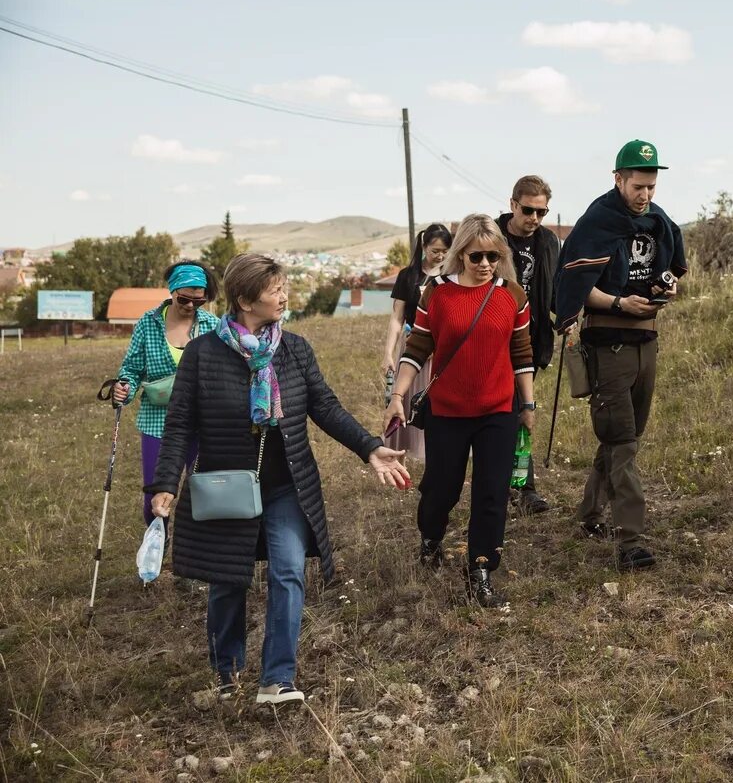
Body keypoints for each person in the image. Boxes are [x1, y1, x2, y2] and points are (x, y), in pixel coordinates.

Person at [149, 253, 410, 705]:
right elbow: (179, 425)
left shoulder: (294, 349)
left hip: (287, 483)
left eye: (284, 287)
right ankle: (226, 672)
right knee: (228, 580)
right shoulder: (203, 354)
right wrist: (165, 484)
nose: (284, 296)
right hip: (226, 486)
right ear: (247, 299)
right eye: (275, 290)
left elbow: (325, 407)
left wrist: (370, 448)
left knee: (289, 571)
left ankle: (277, 679)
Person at [383, 214, 536, 608]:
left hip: (498, 411)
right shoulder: (436, 292)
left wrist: (529, 404)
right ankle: (431, 536)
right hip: (447, 412)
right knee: (441, 488)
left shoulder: (513, 296)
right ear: (460, 255)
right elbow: (417, 348)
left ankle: (481, 568)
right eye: (476, 256)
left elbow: (521, 354)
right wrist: (398, 396)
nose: (485, 264)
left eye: (492, 256)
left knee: (492, 493)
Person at [553, 139, 686, 572]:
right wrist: (617, 304)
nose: (645, 195)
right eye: (637, 186)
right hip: (608, 342)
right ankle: (630, 541)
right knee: (623, 442)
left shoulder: (658, 221)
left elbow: (673, 266)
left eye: (650, 186)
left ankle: (589, 515)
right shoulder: (597, 221)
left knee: (620, 437)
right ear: (618, 179)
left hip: (647, 341)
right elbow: (574, 288)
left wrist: (667, 289)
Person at [113, 260, 220, 525]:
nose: (190, 306)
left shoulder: (213, 325)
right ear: (172, 291)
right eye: (184, 299)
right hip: (156, 421)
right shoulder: (148, 324)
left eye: (199, 301)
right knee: (156, 496)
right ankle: (155, 552)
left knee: (202, 492)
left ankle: (196, 554)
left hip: (202, 422)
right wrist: (124, 388)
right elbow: (132, 368)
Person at [497, 175, 562, 514]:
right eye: (528, 210)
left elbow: (553, 290)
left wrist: (565, 314)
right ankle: (507, 486)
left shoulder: (549, 242)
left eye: (542, 211)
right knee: (504, 416)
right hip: (491, 342)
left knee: (522, 413)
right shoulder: (490, 236)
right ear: (512, 205)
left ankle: (522, 488)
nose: (535, 218)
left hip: (530, 344)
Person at [382, 224, 452, 462]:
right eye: (435, 250)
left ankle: (437, 453)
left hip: (442, 349)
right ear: (423, 247)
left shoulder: (451, 275)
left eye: (445, 250)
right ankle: (400, 454)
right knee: (405, 397)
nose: (440, 256)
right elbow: (397, 318)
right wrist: (388, 353)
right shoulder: (408, 276)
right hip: (413, 347)